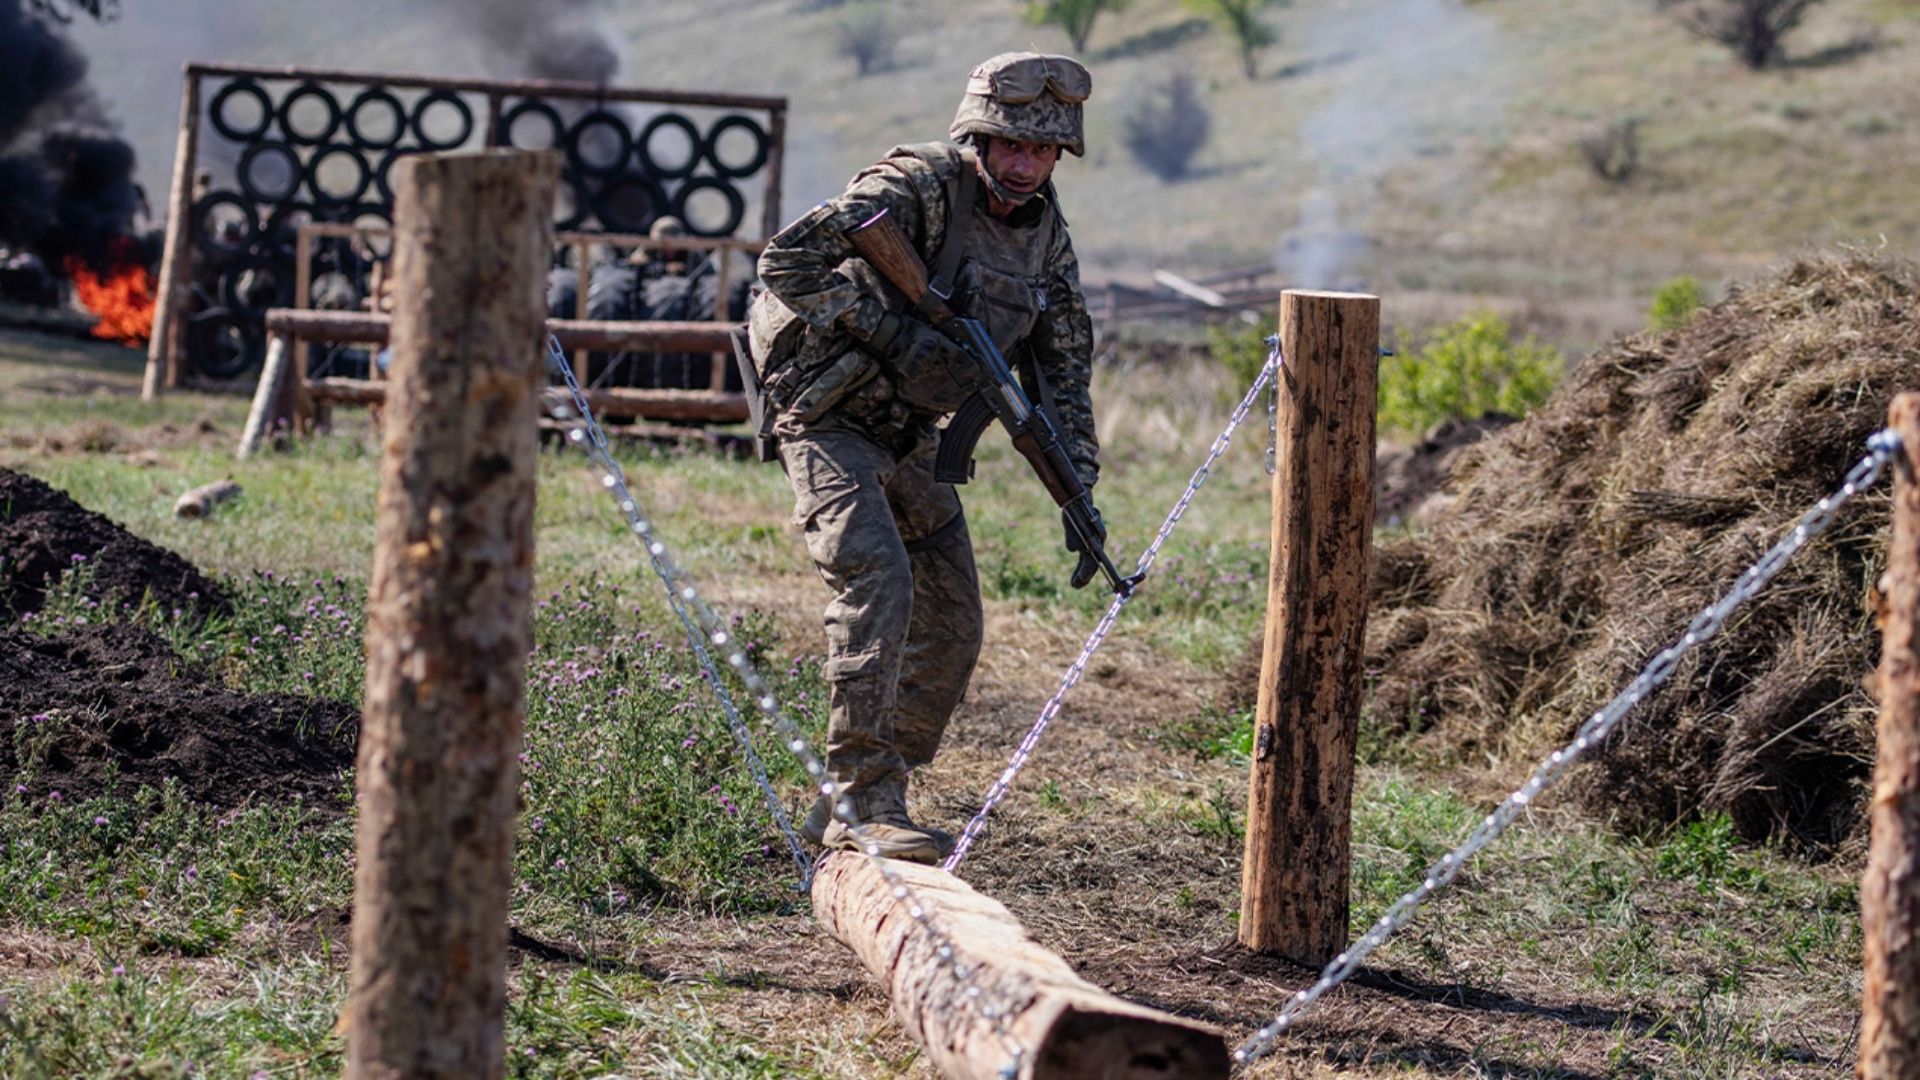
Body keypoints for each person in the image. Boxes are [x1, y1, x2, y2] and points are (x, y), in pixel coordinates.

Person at [751, 53, 1099, 863]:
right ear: (977, 136)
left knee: (952, 621)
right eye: (1008, 145)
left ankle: (862, 797)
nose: (1023, 164)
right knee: (880, 583)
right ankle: (864, 799)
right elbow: (786, 262)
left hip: (911, 434)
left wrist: (1078, 488)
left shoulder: (1046, 238)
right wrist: (887, 329)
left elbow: (1065, 365)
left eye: (1041, 152)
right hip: (827, 413)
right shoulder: (915, 187)